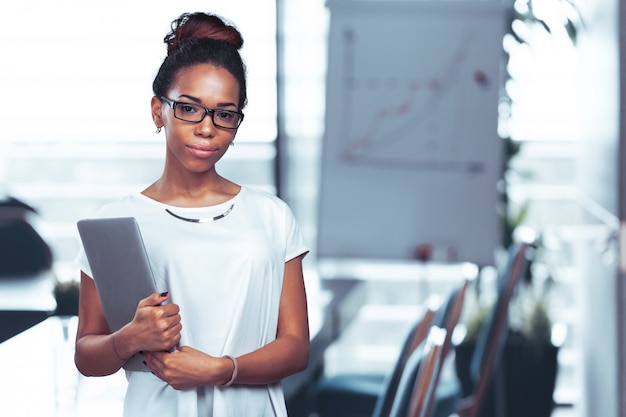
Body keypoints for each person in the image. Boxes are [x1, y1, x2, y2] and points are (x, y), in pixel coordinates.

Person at [74, 12, 310, 417]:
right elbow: (86, 355)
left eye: (225, 113)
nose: (206, 128)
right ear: (157, 111)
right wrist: (127, 339)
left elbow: (295, 347)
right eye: (188, 108)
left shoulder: (271, 217)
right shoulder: (116, 223)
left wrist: (221, 370)